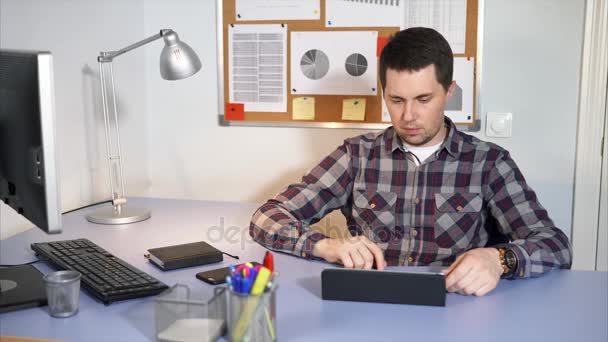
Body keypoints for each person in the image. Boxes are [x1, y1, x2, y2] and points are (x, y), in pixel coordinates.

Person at [249, 27, 572, 296]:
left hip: (457, 309)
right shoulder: (356, 156)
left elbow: (555, 245)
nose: (408, 116)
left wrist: (499, 259)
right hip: (371, 307)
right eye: (396, 100)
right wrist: (325, 246)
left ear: (449, 92)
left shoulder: (488, 163)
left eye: (423, 99)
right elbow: (266, 218)